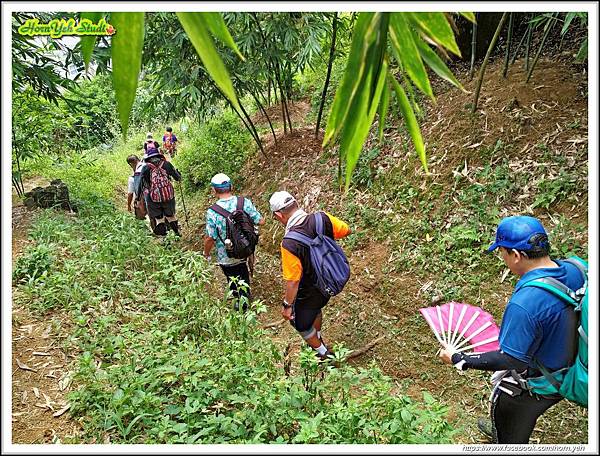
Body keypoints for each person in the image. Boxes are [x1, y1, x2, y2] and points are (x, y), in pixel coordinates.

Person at [438, 215, 586, 444]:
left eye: (502, 252)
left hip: (534, 386)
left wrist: (460, 358)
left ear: (516, 255)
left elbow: (512, 360)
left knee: (510, 435)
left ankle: (505, 434)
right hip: (570, 368)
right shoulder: (577, 268)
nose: (502, 257)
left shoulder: (525, 304)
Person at [269, 191, 351, 361]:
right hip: (330, 280)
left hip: (310, 290)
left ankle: (324, 354)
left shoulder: (289, 243)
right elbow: (346, 230)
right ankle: (318, 336)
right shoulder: (322, 218)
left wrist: (287, 305)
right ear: (296, 204)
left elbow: (293, 281)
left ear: (278, 215)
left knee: (300, 323)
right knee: (315, 310)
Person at [203, 173, 264, 311]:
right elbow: (261, 221)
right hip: (245, 249)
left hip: (226, 254)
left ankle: (240, 302)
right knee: (243, 271)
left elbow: (210, 237)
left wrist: (206, 253)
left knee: (232, 278)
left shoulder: (213, 212)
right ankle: (246, 296)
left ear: (214, 190)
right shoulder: (243, 202)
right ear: (231, 186)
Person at [136, 147, 182, 236]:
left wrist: (138, 198)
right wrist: (178, 173)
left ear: (148, 157)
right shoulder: (167, 164)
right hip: (168, 196)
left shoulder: (145, 168)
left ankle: (165, 238)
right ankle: (177, 233)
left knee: (159, 219)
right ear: (158, 155)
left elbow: (141, 184)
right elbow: (178, 178)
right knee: (171, 216)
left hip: (152, 197)